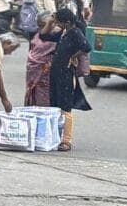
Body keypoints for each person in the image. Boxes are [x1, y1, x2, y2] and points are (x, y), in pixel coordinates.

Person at [48, 8, 92, 151]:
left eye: (59, 22)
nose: (57, 24)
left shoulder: (75, 32)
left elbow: (86, 47)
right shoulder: (64, 32)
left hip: (66, 73)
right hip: (56, 72)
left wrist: (73, 56)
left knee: (65, 106)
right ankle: (55, 136)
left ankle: (66, 140)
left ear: (67, 22)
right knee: (54, 105)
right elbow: (44, 35)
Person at [24, 15, 58, 108]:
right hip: (41, 70)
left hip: (39, 71)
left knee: (40, 93)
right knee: (38, 93)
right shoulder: (49, 37)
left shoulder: (37, 35)